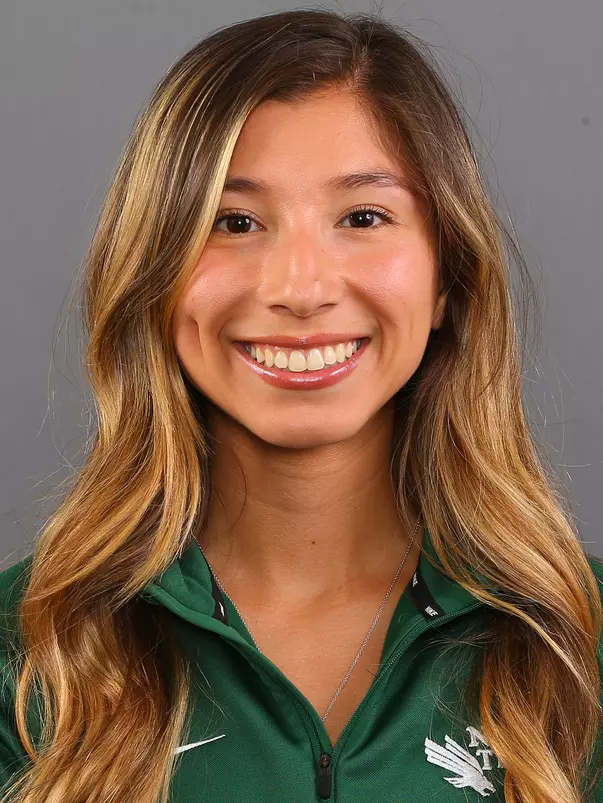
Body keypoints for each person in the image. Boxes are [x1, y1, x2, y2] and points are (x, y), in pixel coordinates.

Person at [0, 8, 601, 803]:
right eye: (234, 221)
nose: (299, 288)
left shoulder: (575, 644)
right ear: (154, 274)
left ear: (446, 277)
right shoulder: (30, 647)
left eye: (362, 217)